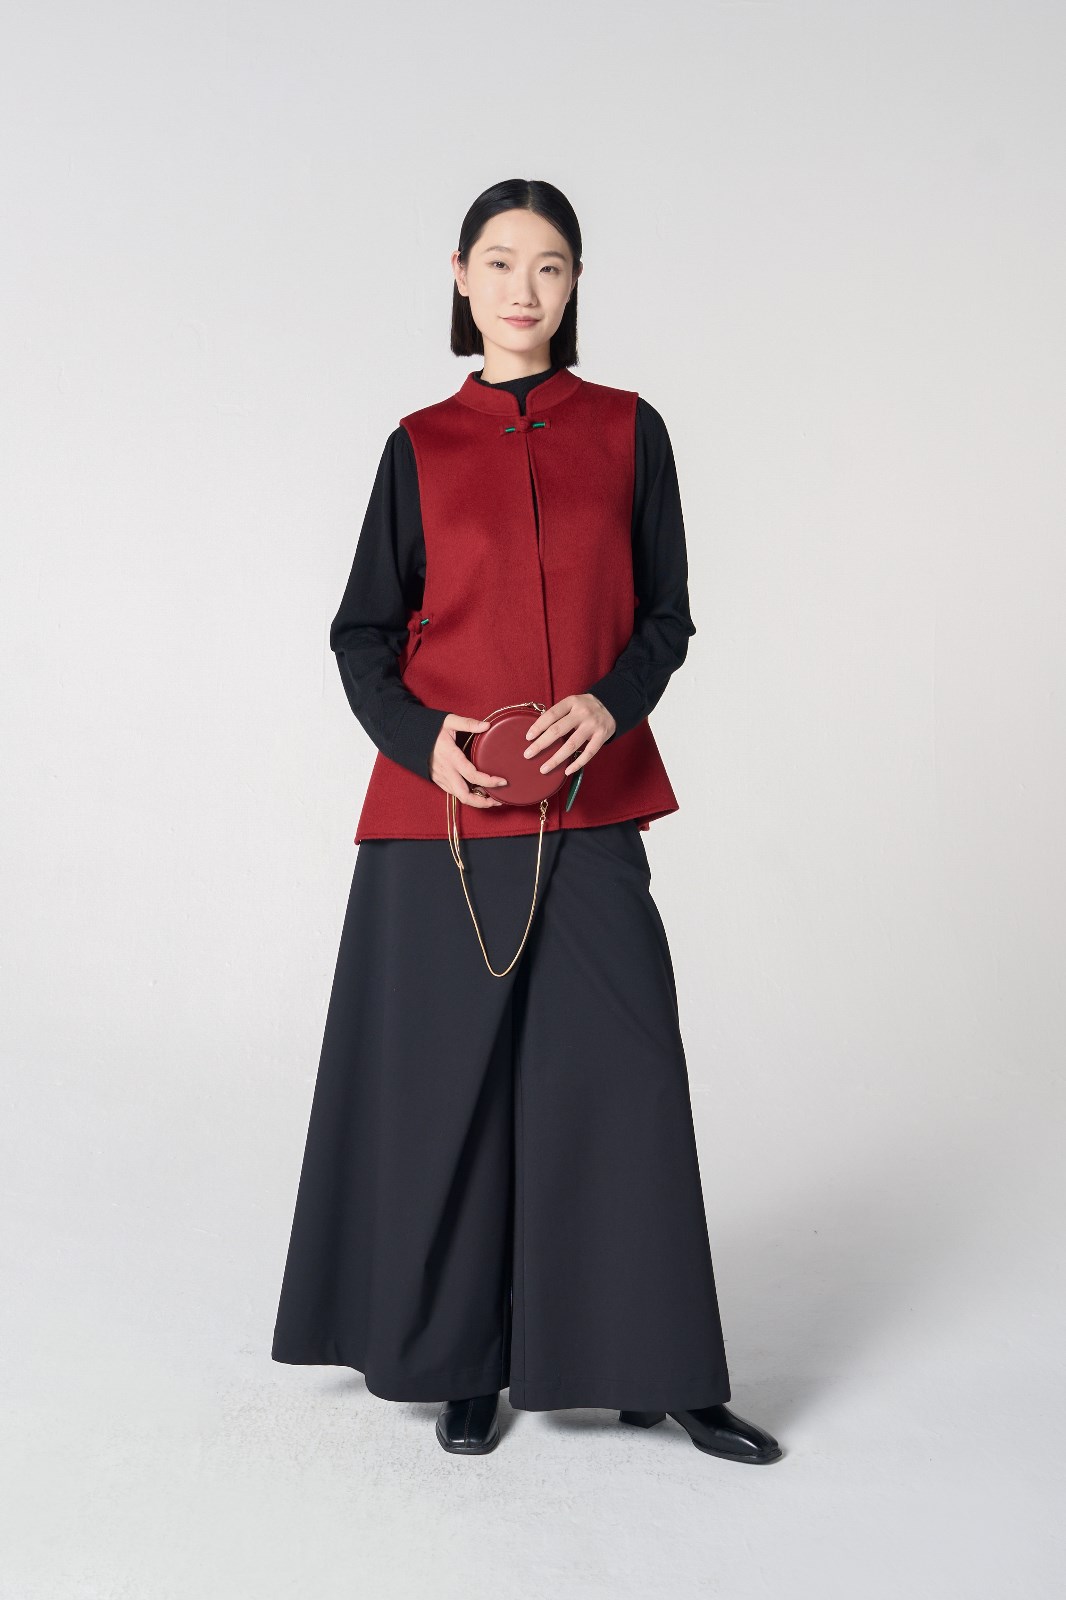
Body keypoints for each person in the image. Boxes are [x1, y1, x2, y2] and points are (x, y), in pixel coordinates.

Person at [271, 178, 782, 1465]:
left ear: (574, 284)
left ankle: (663, 1367)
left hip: (590, 805)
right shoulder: (417, 446)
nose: (522, 287)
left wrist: (610, 704)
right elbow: (361, 634)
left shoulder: (629, 430)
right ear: (459, 277)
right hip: (439, 820)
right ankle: (462, 1361)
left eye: (548, 265)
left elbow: (665, 615)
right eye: (498, 262)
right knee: (449, 1090)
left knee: (626, 1073)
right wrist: (420, 743)